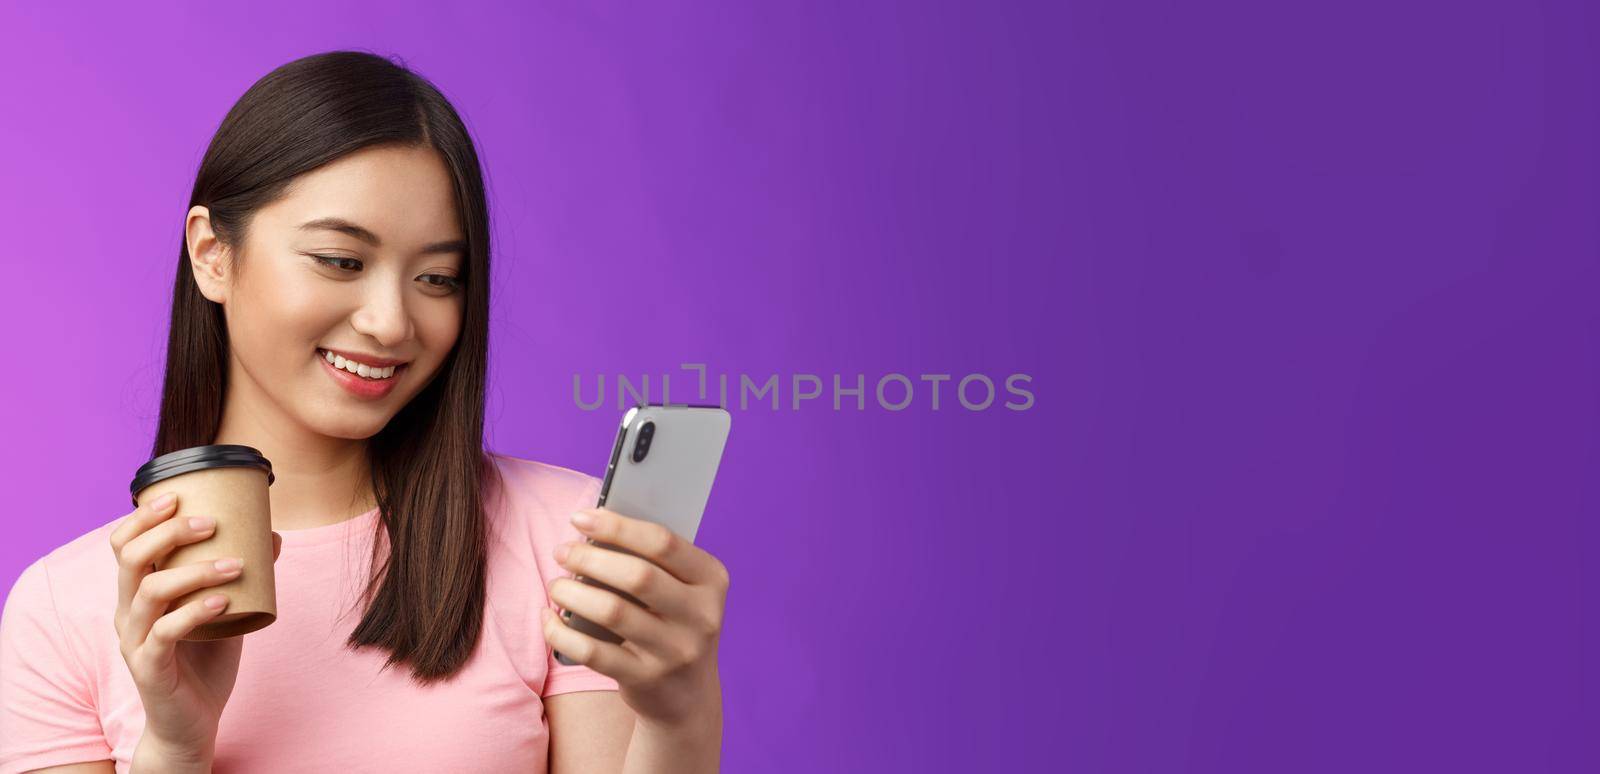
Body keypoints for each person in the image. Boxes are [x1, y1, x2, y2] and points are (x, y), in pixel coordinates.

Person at [0, 50, 729, 774]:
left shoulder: (569, 546)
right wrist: (176, 749)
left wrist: (681, 712)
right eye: (342, 261)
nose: (391, 322)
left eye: (438, 277)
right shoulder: (65, 610)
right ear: (213, 253)